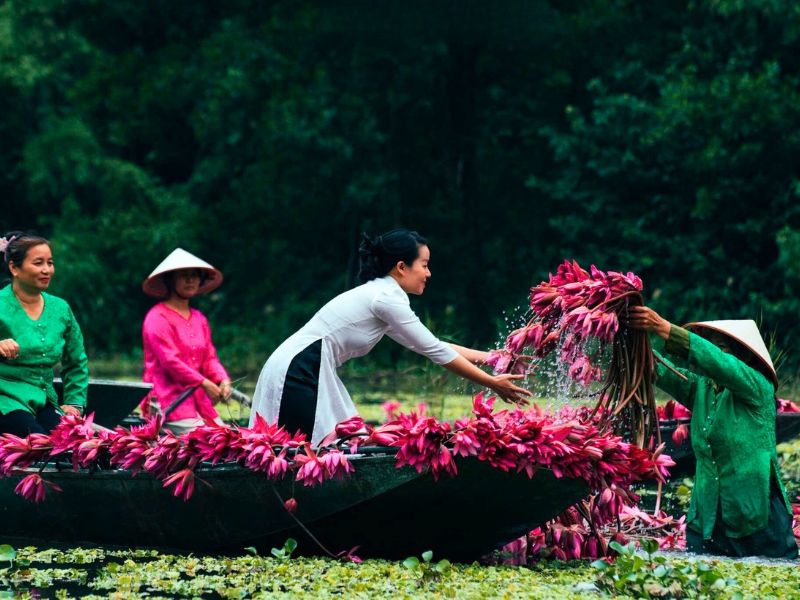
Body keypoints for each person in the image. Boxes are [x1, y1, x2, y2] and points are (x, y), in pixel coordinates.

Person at [250, 229, 532, 446]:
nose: (428, 273)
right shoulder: (386, 298)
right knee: (297, 452)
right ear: (401, 267)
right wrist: (491, 382)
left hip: (306, 366)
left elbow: (432, 343)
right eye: (424, 265)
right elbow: (434, 350)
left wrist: (496, 358)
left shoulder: (383, 297)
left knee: (325, 445)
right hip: (301, 368)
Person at [629, 306, 797, 559]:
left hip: (755, 515)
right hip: (707, 518)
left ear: (744, 357)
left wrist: (663, 328)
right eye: (713, 347)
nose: (716, 354)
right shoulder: (702, 389)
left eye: (724, 348)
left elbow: (722, 365)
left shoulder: (757, 386)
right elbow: (657, 369)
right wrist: (627, 337)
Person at [0, 231, 88, 436]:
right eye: (38, 263)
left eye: (50, 263)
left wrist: (74, 404)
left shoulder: (60, 309)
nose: (47, 270)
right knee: (38, 442)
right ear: (14, 268)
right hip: (5, 399)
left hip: (42, 399)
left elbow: (76, 362)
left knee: (70, 441)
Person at [141, 248, 232, 434]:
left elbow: (209, 358)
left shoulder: (200, 319)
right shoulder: (157, 317)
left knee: (228, 438)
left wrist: (223, 379)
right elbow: (170, 362)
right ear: (170, 280)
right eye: (183, 276)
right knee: (208, 440)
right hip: (168, 402)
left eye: (194, 275)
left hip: (199, 401)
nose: (190, 280)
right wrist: (205, 383)